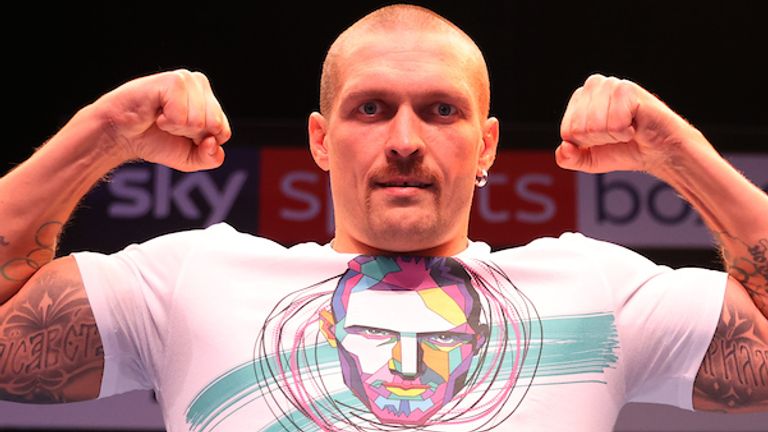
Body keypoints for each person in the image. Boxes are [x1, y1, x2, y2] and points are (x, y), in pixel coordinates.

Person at [1, 3, 766, 431]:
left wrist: (676, 151)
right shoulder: (192, 276)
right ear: (322, 140)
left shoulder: (593, 285)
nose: (405, 141)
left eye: (441, 111)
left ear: (486, 144)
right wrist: (101, 131)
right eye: (371, 109)